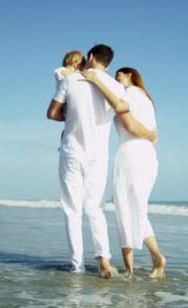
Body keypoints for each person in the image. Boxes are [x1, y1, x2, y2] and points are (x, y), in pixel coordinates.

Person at [46, 44, 126, 279]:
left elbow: (51, 113)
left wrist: (69, 116)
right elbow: (121, 108)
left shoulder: (71, 80)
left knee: (72, 211)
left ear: (90, 57)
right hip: (98, 157)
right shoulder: (115, 86)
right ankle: (104, 260)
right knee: (95, 209)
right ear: (108, 64)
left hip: (71, 152)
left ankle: (77, 266)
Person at [81, 67, 167, 279]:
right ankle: (134, 268)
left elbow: (123, 113)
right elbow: (155, 138)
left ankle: (150, 261)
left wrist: (96, 81)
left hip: (132, 155)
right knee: (132, 210)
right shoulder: (147, 100)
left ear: (130, 75)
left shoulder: (132, 94)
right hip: (143, 155)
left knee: (127, 211)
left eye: (119, 76)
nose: (117, 80)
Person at [54, 51, 85, 143]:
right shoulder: (60, 71)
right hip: (64, 103)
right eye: (81, 67)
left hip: (68, 103)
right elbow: (62, 73)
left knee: (71, 125)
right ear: (76, 65)